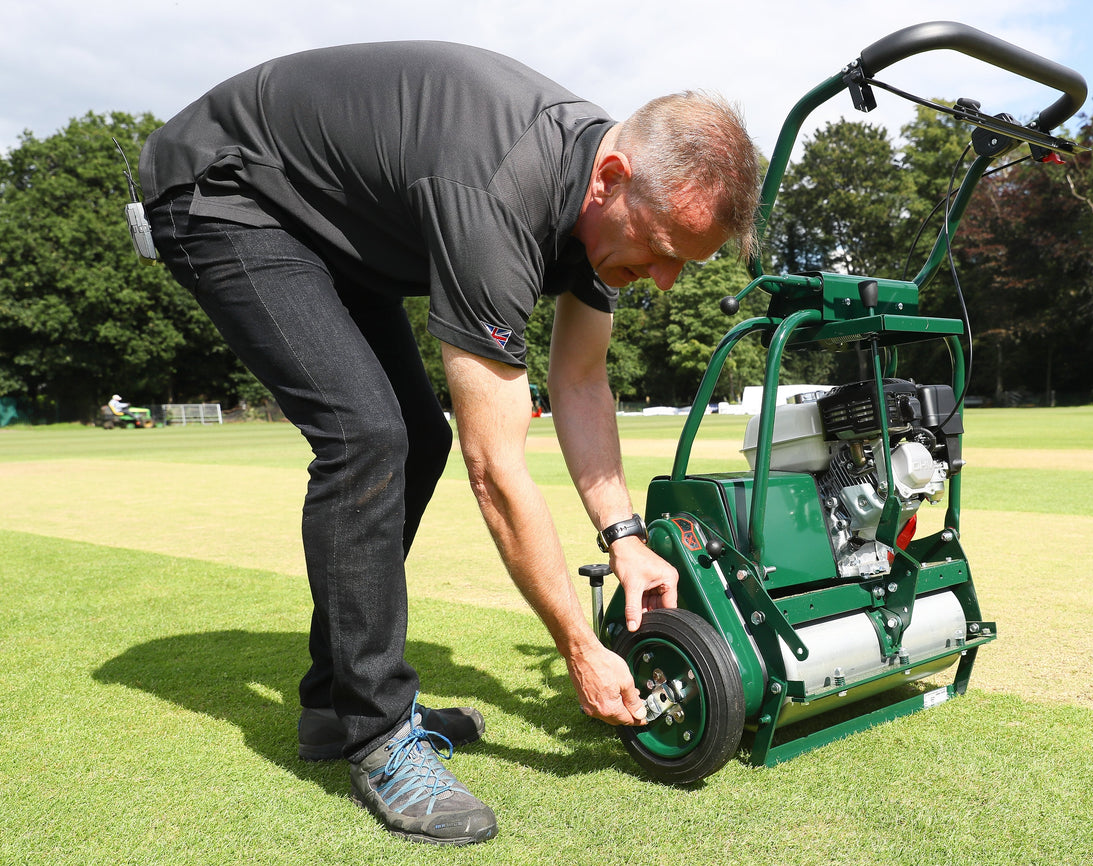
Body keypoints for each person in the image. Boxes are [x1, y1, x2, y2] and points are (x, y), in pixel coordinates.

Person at [140, 41, 759, 846]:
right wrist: (578, 644)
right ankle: (375, 733)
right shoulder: (501, 192)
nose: (667, 279)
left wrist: (626, 540)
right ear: (611, 180)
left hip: (333, 225)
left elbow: (579, 383)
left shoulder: (603, 210)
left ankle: (335, 708)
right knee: (366, 437)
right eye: (665, 250)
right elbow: (495, 468)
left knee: (414, 440)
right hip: (228, 189)